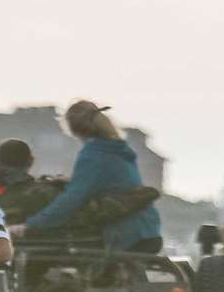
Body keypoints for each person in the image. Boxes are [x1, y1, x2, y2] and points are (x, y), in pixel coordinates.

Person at [9, 100, 162, 253]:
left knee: (47, 250)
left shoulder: (93, 154)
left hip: (124, 234)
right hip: (149, 229)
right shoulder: (118, 149)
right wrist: (74, 181)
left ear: (72, 128)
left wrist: (29, 226)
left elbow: (71, 200)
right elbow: (114, 184)